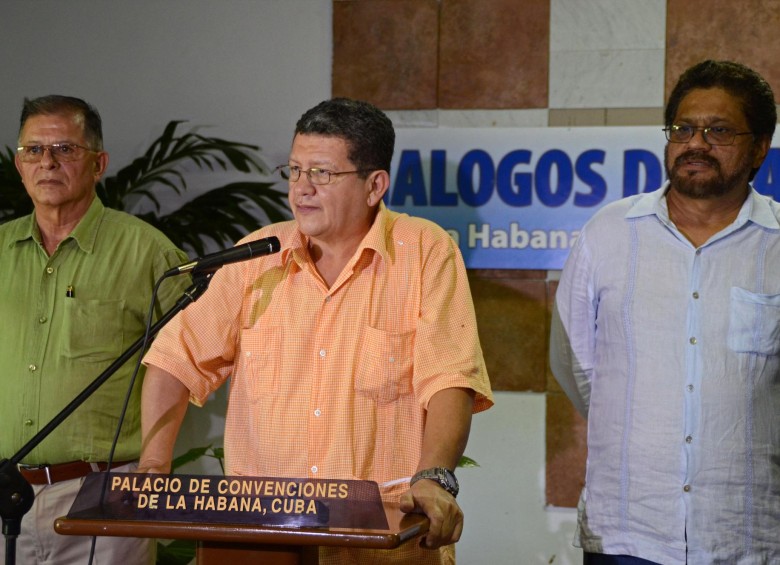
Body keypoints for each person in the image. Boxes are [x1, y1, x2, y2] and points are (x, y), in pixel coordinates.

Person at [139, 97, 494, 564]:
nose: (302, 189)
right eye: (294, 171)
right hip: (264, 535)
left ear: (374, 186)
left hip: (382, 535)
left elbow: (449, 378)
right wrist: (151, 468)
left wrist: (432, 478)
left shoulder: (424, 252)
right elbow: (174, 360)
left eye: (322, 174)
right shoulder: (257, 257)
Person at [550, 59, 780, 565]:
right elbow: (575, 364)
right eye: (683, 128)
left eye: (718, 130)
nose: (696, 143)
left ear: (760, 146)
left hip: (746, 535)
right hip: (628, 532)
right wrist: (639, 419)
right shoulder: (608, 233)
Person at [0, 95, 191, 564]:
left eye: (65, 149)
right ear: (19, 164)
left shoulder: (148, 252)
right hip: (6, 500)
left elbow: (188, 358)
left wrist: (155, 466)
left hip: (103, 494)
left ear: (98, 163)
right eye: (32, 151)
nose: (47, 162)